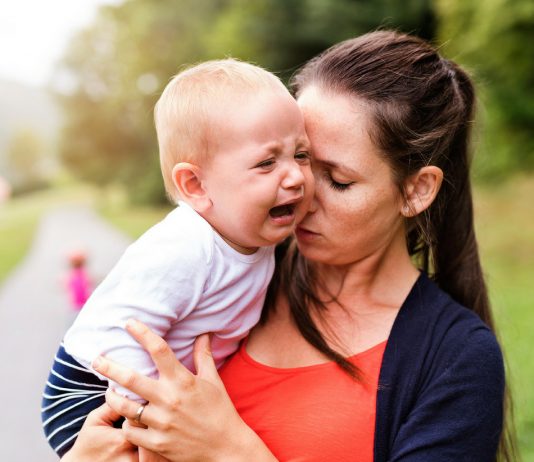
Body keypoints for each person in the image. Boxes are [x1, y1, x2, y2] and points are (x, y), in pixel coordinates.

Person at [61, 30, 514, 462]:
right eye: (294, 158)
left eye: (337, 180)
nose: (298, 190)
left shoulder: (456, 360)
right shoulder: (236, 271)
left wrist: (228, 450)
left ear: (416, 190)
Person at [41, 58, 313, 458]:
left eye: (301, 154)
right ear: (196, 185)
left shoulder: (260, 235)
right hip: (90, 388)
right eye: (267, 162)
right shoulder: (186, 247)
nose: (294, 177)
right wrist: (150, 412)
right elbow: (126, 332)